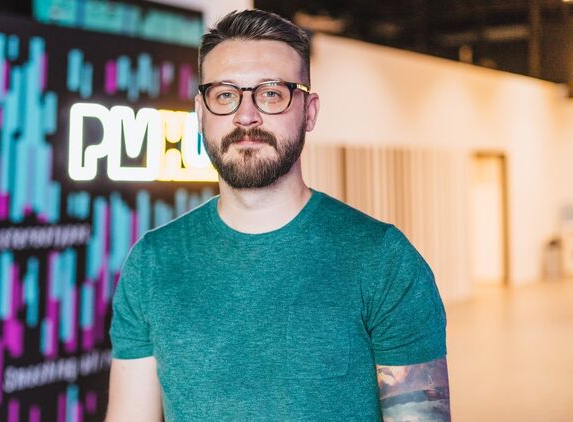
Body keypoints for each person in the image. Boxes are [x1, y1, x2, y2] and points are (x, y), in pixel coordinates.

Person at [106, 9, 450, 422]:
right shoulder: (152, 262)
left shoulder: (384, 260)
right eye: (225, 95)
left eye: (271, 93)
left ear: (309, 111)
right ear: (200, 112)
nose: (246, 115)